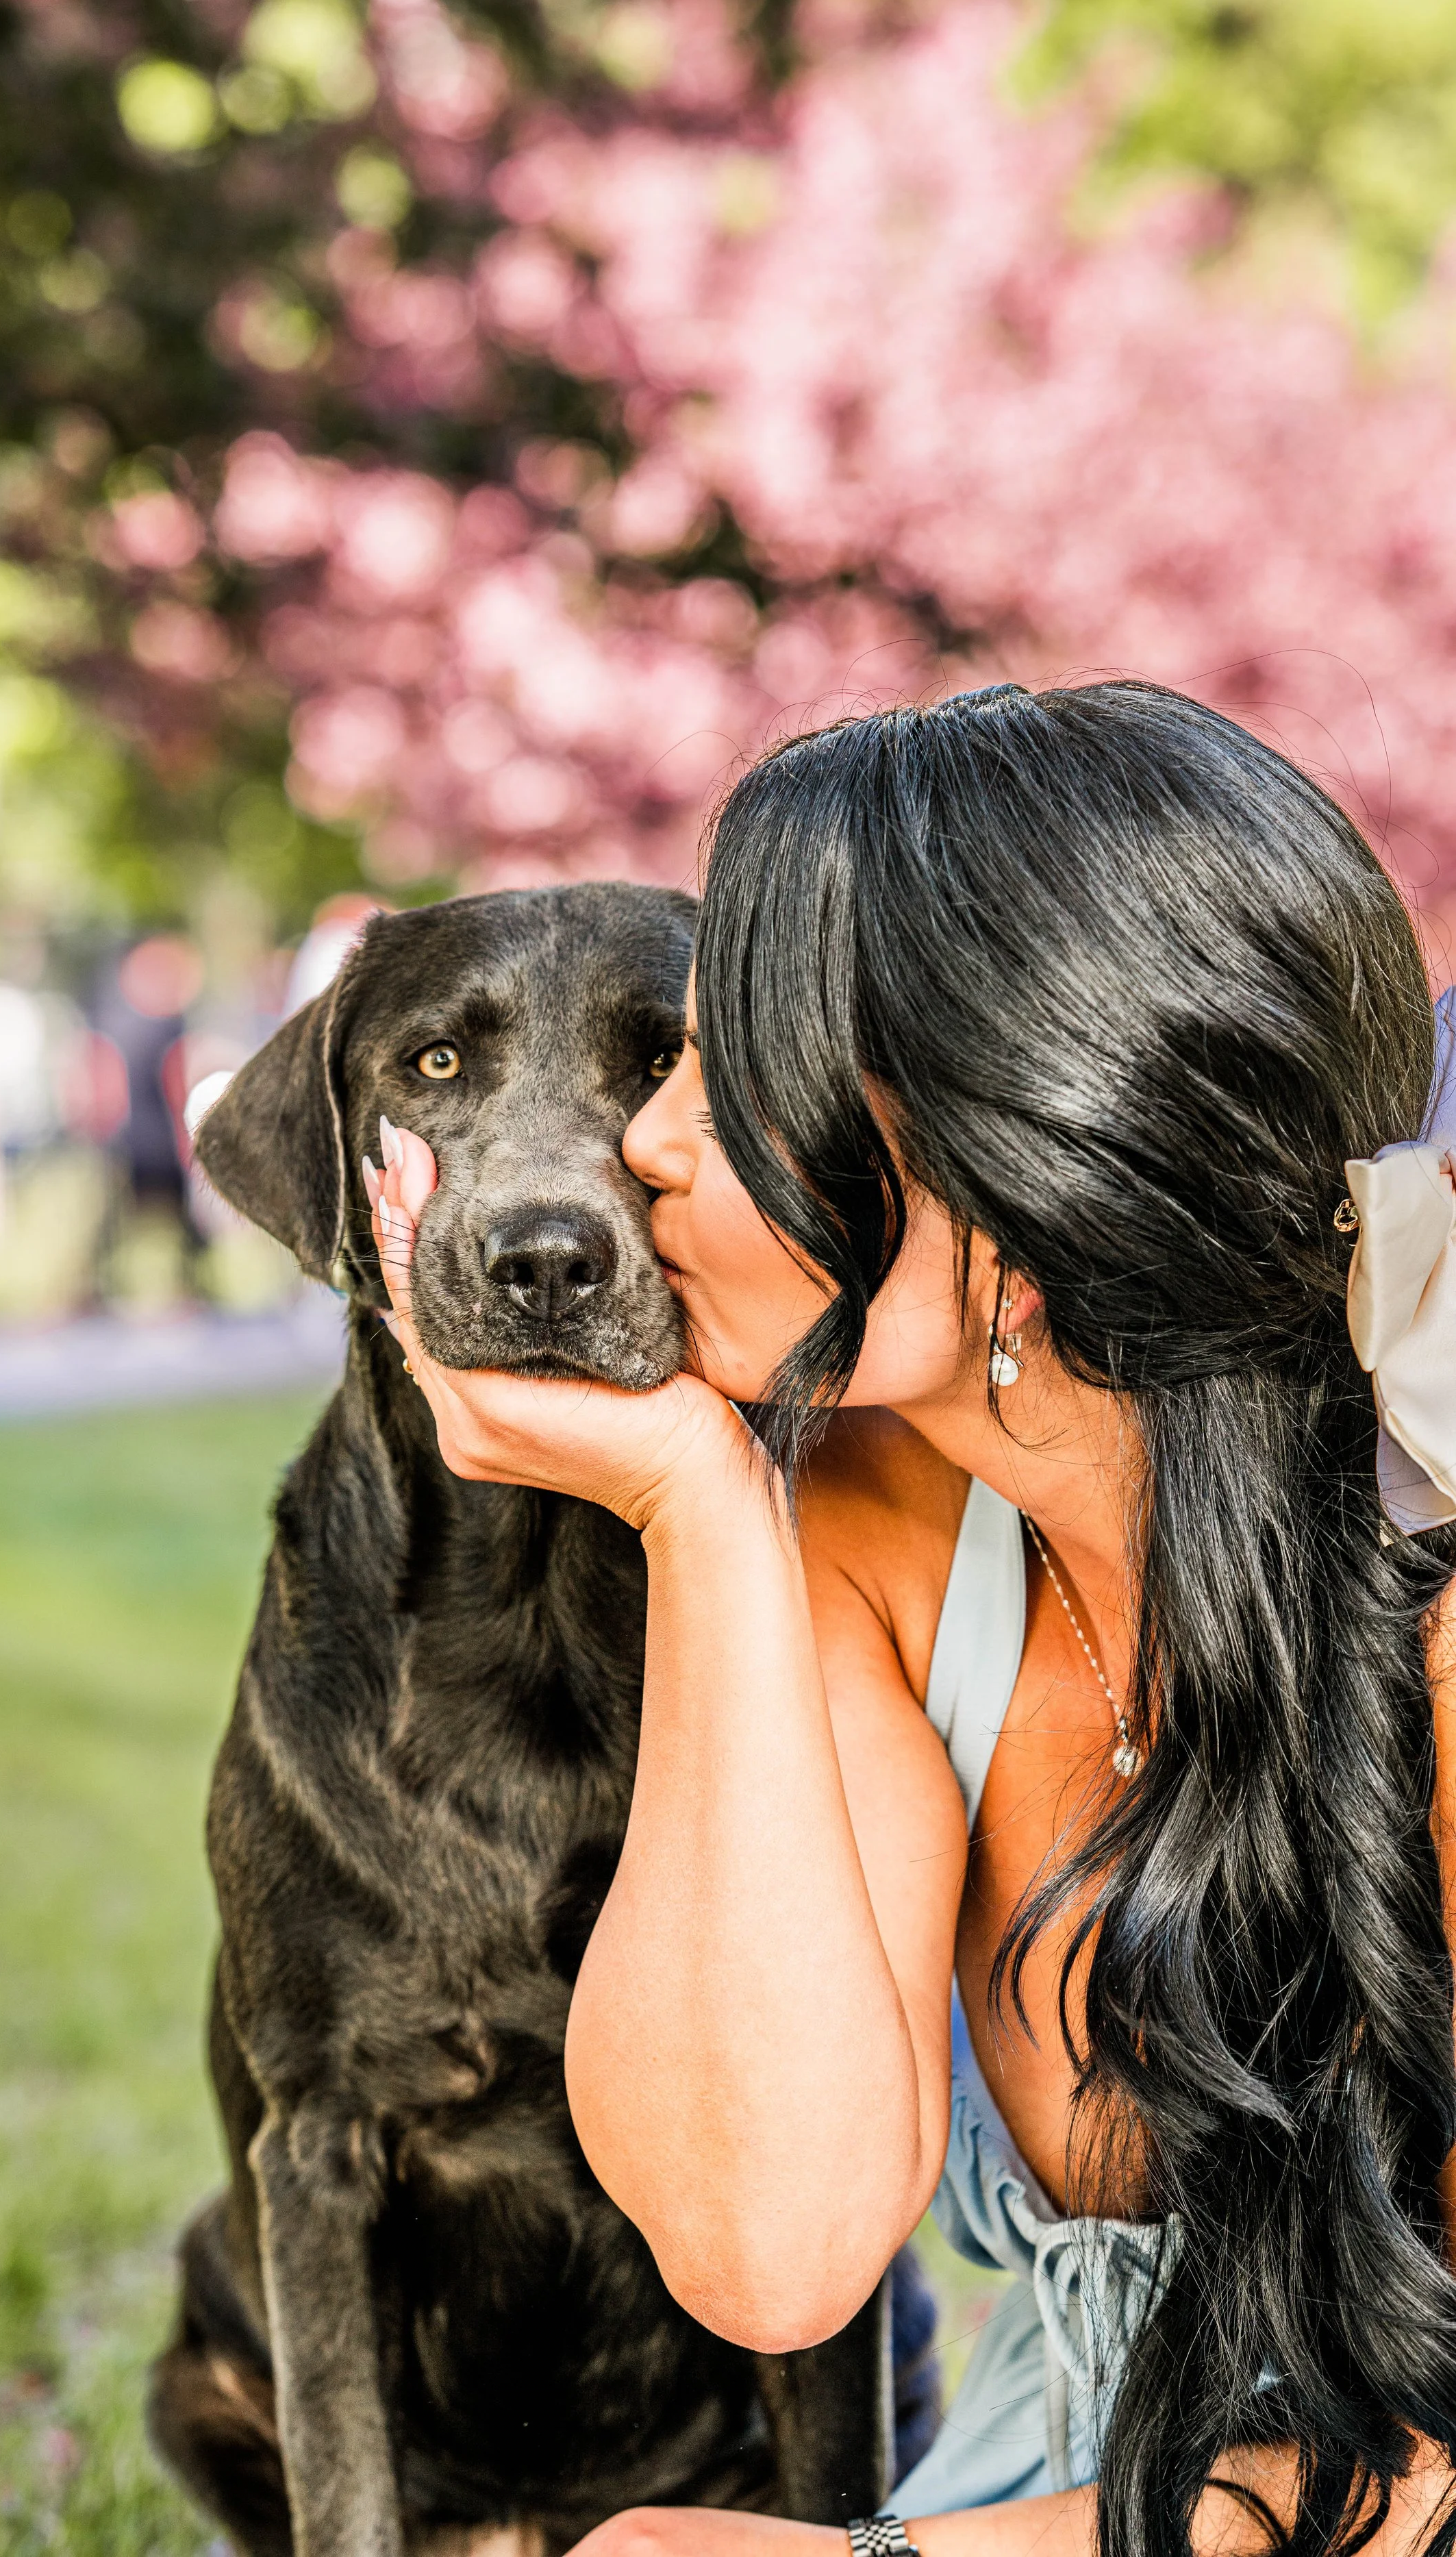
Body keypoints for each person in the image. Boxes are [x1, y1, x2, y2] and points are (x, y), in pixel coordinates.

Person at [362, 684, 1456, 2557]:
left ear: (1008, 1159)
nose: (645, 1144)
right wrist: (699, 1508)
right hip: (1083, 2483)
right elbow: (769, 2245)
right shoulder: (874, 1526)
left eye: (730, 1070)